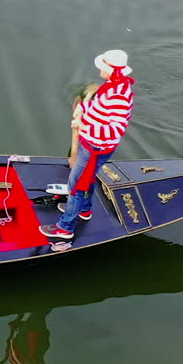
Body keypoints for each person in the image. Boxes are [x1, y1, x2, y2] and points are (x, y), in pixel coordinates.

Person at [40, 50, 136, 240]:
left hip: (95, 148)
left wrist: (83, 126)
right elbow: (96, 109)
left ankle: (65, 228)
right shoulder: (113, 86)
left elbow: (115, 129)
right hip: (92, 144)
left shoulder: (118, 96)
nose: (100, 68)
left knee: (76, 185)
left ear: (110, 69)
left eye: (103, 66)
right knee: (87, 177)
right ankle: (84, 210)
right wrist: (81, 111)